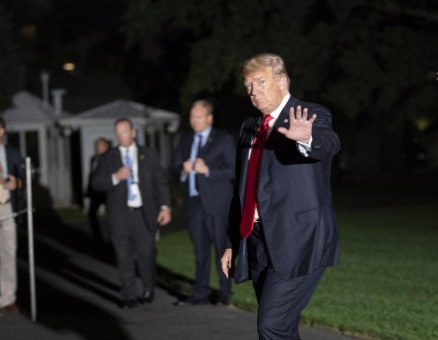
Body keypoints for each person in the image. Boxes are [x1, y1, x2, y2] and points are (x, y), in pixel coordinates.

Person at [220, 53, 340, 339]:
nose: (253, 91)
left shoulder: (310, 114)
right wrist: (232, 243)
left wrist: (305, 138)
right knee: (282, 326)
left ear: (283, 82)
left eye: (261, 82)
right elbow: (243, 190)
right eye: (248, 85)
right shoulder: (249, 127)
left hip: (300, 239)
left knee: (271, 325)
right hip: (259, 240)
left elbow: (328, 143)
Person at [91, 117, 171, 309]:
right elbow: (96, 183)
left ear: (133, 133)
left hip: (143, 213)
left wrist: (165, 207)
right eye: (117, 133)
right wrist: (116, 177)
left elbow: (160, 182)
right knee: (124, 256)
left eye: (124, 132)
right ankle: (129, 295)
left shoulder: (149, 154)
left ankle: (148, 288)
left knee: (146, 254)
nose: (121, 136)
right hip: (120, 215)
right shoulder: (108, 157)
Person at [171, 100, 236, 306]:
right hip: (193, 204)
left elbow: (234, 170)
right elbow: (175, 167)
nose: (194, 121)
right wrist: (183, 171)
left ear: (209, 118)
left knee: (221, 249)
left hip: (217, 205)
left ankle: (225, 292)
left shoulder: (223, 140)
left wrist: (206, 170)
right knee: (200, 252)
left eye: (198, 117)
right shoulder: (185, 139)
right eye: (191, 117)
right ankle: (200, 293)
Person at [0, 116, 25, 314]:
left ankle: (7, 298)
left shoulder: (13, 152)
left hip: (8, 206)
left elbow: (23, 180)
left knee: (8, 252)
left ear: (2, 131)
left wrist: (16, 183)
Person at [86, 137, 110, 244]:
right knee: (91, 214)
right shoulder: (93, 159)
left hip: (106, 191)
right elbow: (91, 175)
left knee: (111, 215)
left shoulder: (110, 158)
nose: (97, 148)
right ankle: (97, 237)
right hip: (95, 192)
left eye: (100, 145)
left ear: (106, 146)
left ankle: (112, 237)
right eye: (96, 146)